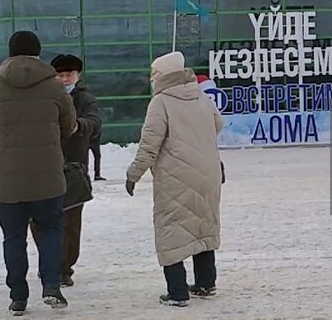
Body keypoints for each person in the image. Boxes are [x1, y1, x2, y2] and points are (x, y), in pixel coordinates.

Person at [0, 30, 77, 314]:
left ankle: (18, 296)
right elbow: (68, 127)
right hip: (47, 176)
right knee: (52, 229)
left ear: (10, 53)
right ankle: (52, 286)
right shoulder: (55, 89)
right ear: (38, 52)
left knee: (13, 238)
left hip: (7, 181)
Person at [126, 51, 224, 308]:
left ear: (162, 76)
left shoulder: (161, 103)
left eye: (154, 74)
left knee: (171, 229)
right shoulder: (201, 96)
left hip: (175, 176)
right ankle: (206, 283)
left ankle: (177, 292)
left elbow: (149, 145)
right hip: (208, 172)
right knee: (202, 224)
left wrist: (133, 174)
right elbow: (218, 125)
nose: (151, 79)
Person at [34, 54, 102, 287]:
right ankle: (48, 266)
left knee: (71, 223)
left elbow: (95, 122)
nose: (64, 79)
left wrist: (79, 126)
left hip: (73, 168)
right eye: (60, 75)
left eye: (69, 75)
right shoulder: (44, 96)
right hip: (45, 166)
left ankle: (64, 268)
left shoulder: (85, 98)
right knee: (41, 220)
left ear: (77, 75)